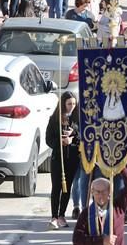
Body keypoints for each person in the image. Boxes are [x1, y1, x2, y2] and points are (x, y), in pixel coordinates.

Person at [72, 169, 127, 245]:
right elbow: (76, 239)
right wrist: (101, 241)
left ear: (109, 192)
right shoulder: (86, 213)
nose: (100, 195)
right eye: (97, 192)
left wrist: (121, 167)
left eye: (104, 191)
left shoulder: (118, 207)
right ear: (92, 192)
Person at [46, 91, 80, 229]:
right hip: (57, 158)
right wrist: (61, 141)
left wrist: (72, 139)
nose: (71, 106)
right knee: (56, 187)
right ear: (63, 104)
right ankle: (54, 216)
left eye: (73, 103)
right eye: (68, 104)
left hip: (72, 159)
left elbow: (82, 137)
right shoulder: (54, 119)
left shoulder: (78, 119)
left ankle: (62, 215)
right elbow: (48, 139)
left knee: (67, 188)